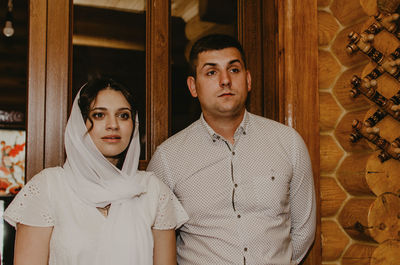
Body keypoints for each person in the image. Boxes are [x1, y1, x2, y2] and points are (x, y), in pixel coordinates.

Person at [147, 34, 316, 265]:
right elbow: (156, 241)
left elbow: (303, 231)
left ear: (248, 80)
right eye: (211, 72)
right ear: (193, 86)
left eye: (234, 70)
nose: (225, 80)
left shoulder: (288, 143)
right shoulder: (167, 158)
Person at [3, 77, 188, 265]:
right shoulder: (48, 187)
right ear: (79, 124)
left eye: (123, 115)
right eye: (99, 115)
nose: (113, 125)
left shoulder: (153, 191)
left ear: (134, 125)